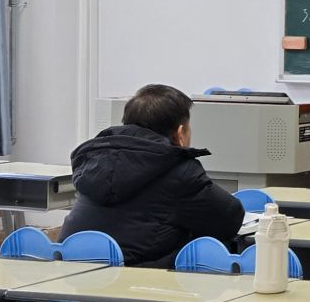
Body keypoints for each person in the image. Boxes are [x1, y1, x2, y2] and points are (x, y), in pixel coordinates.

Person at [61, 83, 246, 268]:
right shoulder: (180, 170)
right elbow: (230, 218)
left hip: (71, 269)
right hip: (135, 278)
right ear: (180, 134)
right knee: (213, 247)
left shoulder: (97, 157)